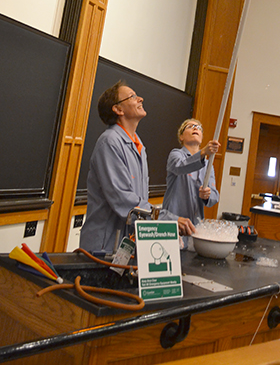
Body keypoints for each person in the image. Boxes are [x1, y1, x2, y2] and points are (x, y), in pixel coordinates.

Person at [80, 81, 196, 252]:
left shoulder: (138, 145)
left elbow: (138, 201)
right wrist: (166, 220)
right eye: (133, 96)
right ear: (118, 109)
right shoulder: (110, 142)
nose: (140, 98)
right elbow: (123, 200)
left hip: (126, 244)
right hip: (104, 247)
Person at [162, 118, 220, 224]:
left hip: (195, 225)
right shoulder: (175, 154)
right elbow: (180, 167)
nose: (195, 128)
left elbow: (215, 196)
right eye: (190, 126)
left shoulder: (208, 164)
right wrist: (203, 152)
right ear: (181, 136)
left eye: (198, 128)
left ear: (201, 137)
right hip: (174, 222)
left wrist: (207, 195)